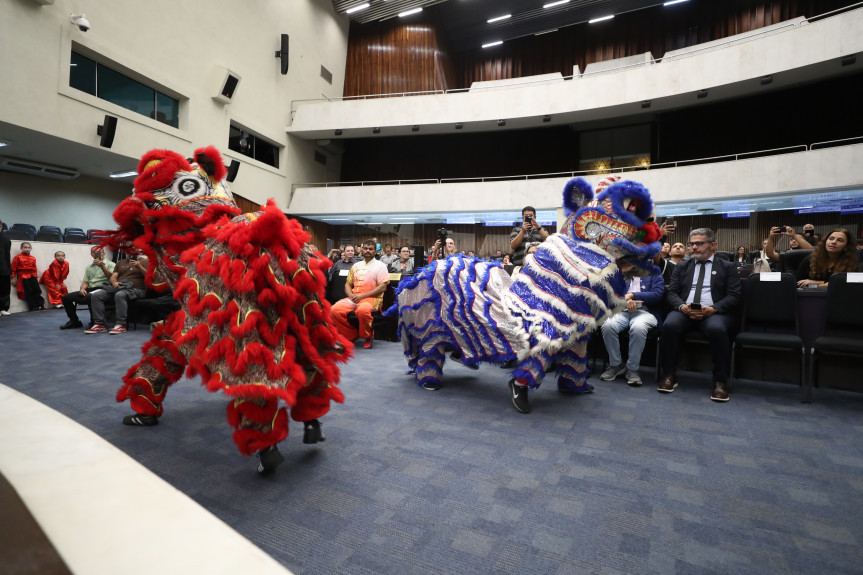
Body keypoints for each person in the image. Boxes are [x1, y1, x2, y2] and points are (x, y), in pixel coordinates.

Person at [659, 228, 741, 402]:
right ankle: (669, 375)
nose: (694, 247)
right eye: (692, 244)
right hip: (685, 311)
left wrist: (714, 309)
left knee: (717, 329)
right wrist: (682, 307)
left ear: (713, 245)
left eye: (699, 244)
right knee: (669, 325)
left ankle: (720, 381)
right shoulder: (682, 266)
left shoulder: (727, 266)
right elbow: (672, 293)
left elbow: (734, 295)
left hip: (714, 312)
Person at [600, 268, 665, 386]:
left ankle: (632, 369)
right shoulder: (621, 272)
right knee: (608, 325)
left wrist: (633, 296)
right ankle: (616, 364)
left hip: (645, 312)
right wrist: (624, 300)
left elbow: (657, 294)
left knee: (638, 327)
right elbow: (611, 294)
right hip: (622, 311)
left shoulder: (654, 272)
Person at [330, 240, 390, 349]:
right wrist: (351, 295)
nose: (368, 251)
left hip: (372, 299)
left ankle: (367, 337)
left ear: (375, 251)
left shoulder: (381, 266)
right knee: (334, 309)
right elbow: (348, 284)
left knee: (362, 310)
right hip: (354, 298)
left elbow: (383, 287)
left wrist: (362, 296)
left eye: (370, 249)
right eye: (366, 248)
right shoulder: (356, 265)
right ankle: (351, 335)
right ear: (362, 250)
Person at [85, 254, 149, 334]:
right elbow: (113, 277)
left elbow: (150, 277)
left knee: (120, 294)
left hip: (137, 289)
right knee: (96, 295)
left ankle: (121, 324)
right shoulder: (120, 262)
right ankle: (100, 324)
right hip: (120, 287)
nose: (130, 250)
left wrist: (139, 266)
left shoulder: (145, 261)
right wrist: (114, 282)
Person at [59, 247, 116, 329]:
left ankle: (94, 321)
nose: (97, 254)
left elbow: (111, 277)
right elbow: (86, 282)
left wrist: (102, 266)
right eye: (94, 252)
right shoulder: (89, 267)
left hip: (104, 288)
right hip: (91, 288)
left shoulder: (111, 264)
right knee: (66, 297)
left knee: (91, 296)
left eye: (99, 252)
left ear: (104, 253)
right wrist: (82, 289)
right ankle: (74, 321)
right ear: (91, 254)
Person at [795, 228, 861, 287]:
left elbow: (852, 285)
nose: (833, 242)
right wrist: (824, 284)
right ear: (825, 241)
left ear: (846, 246)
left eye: (840, 240)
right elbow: (798, 284)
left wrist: (818, 284)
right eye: (831, 238)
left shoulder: (852, 263)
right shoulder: (811, 259)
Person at [10, 241, 44, 311]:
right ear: (21, 248)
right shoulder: (18, 257)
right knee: (28, 291)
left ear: (31, 248)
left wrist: (35, 276)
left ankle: (40, 305)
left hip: (33, 276)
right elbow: (13, 268)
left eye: (29, 247)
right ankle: (32, 306)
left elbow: (34, 268)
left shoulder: (33, 258)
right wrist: (13, 278)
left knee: (37, 290)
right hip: (23, 276)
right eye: (25, 247)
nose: (27, 249)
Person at [0, 219, 10, 316]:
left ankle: (3, 308)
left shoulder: (6, 240)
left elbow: (7, 256)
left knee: (4, 290)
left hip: (4, 268)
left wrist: (8, 270)